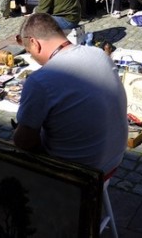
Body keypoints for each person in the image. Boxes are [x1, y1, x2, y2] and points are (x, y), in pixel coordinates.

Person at [13, 13, 127, 173]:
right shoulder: (99, 53)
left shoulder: (40, 80)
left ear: (34, 43)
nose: (33, 57)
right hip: (114, 159)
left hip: (77, 172)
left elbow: (23, 142)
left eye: (29, 51)